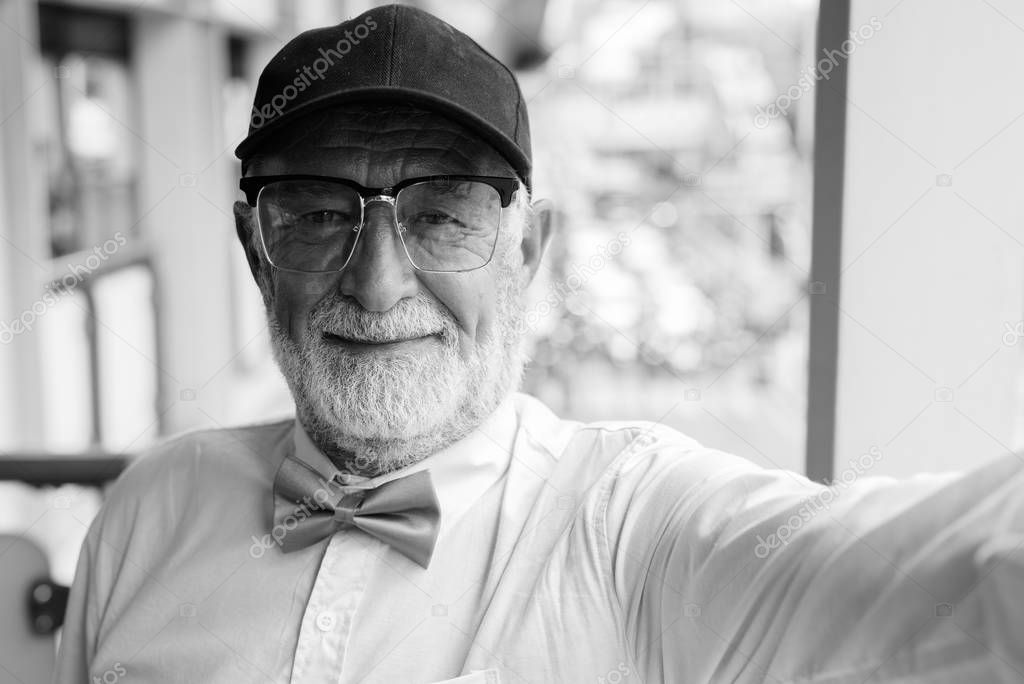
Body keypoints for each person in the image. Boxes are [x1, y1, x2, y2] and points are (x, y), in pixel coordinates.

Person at [55, 5, 1024, 683]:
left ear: (530, 251)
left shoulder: (628, 525)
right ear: (256, 252)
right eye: (315, 213)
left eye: (443, 216)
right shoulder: (146, 514)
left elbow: (942, 575)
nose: (378, 281)